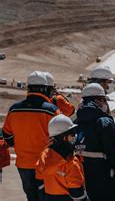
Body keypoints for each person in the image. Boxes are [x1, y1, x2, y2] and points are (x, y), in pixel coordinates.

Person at [2, 71, 60, 201]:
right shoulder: (51, 110)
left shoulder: (14, 109)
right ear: (45, 88)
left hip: (23, 163)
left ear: (28, 88)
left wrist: (19, 144)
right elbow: (60, 136)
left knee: (31, 197)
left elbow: (7, 135)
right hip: (45, 164)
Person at [75, 83, 115, 201]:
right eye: (103, 100)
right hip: (104, 178)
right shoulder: (105, 122)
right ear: (99, 100)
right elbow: (113, 151)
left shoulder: (77, 121)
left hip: (82, 177)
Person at [36, 114, 88, 201]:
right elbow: (77, 194)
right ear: (63, 137)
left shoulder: (44, 155)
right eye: (72, 133)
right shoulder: (71, 163)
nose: (74, 136)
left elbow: (39, 180)